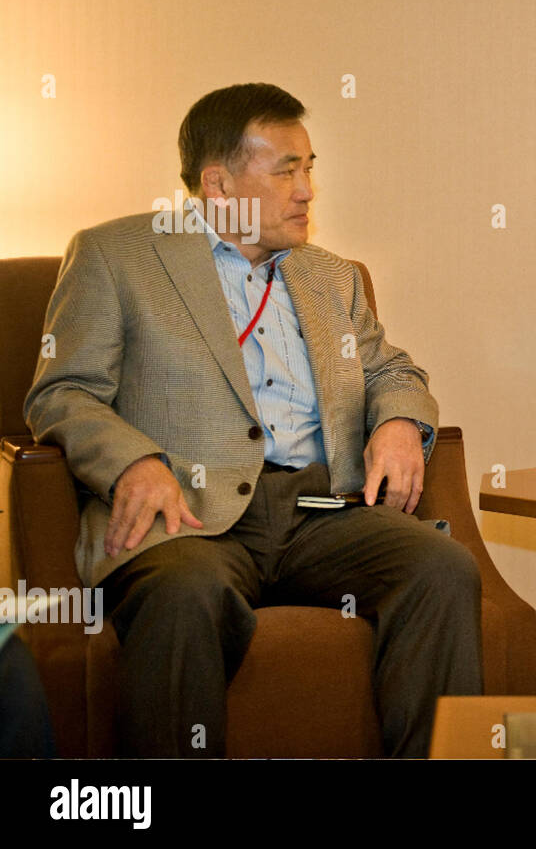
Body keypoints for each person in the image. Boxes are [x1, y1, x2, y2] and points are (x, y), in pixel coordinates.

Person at [24, 82, 482, 757]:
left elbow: (394, 372)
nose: (307, 190)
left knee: (443, 569)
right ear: (218, 183)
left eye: (310, 168)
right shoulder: (115, 257)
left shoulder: (332, 277)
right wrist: (133, 460)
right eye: (286, 170)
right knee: (185, 594)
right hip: (187, 516)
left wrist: (396, 424)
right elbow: (61, 392)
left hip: (320, 509)